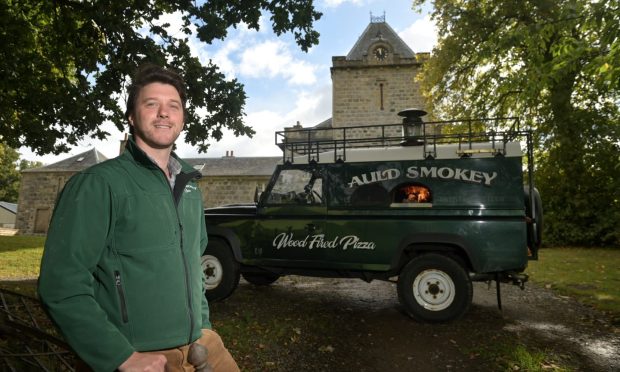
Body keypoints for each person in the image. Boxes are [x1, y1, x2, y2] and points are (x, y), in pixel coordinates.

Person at [38, 64, 240, 372]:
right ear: (132, 117)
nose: (164, 113)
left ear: (182, 119)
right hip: (141, 356)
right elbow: (61, 285)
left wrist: (204, 325)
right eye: (151, 104)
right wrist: (119, 356)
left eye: (173, 106)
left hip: (202, 345)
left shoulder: (190, 187)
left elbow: (194, 265)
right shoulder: (98, 184)